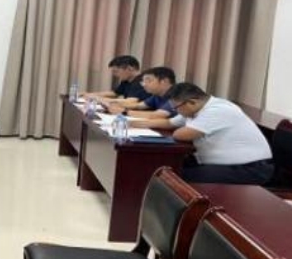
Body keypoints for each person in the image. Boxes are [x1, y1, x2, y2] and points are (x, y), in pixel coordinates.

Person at [141, 82, 274, 185]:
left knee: (177, 179)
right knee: (165, 169)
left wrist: (180, 129)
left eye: (176, 108)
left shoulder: (218, 110)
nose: (176, 111)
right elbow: (170, 123)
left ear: (192, 102)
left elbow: (181, 134)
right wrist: (133, 123)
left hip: (249, 169)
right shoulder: (196, 109)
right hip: (226, 164)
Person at [105, 66, 176, 119]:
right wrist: (113, 105)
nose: (144, 85)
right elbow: (138, 105)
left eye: (149, 81)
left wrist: (124, 112)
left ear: (164, 81)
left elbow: (156, 115)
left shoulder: (176, 95)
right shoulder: (157, 95)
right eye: (143, 81)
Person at [82, 55, 149, 102]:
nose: (114, 75)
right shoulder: (126, 80)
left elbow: (130, 101)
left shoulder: (142, 82)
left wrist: (98, 99)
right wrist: (90, 94)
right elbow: (115, 93)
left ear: (130, 68)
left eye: (116, 71)